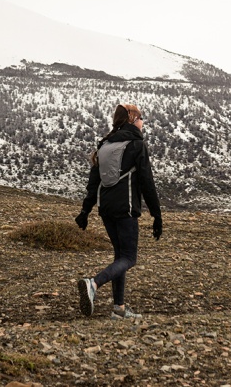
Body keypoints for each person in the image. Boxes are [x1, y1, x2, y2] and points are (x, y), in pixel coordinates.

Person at [75, 104, 163, 320]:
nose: (143, 122)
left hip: (106, 210)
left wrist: (85, 211)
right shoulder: (136, 144)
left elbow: (93, 182)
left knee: (120, 257)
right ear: (132, 120)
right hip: (126, 209)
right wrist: (157, 215)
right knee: (129, 258)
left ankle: (119, 308)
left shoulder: (104, 144)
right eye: (141, 118)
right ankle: (93, 283)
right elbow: (146, 182)